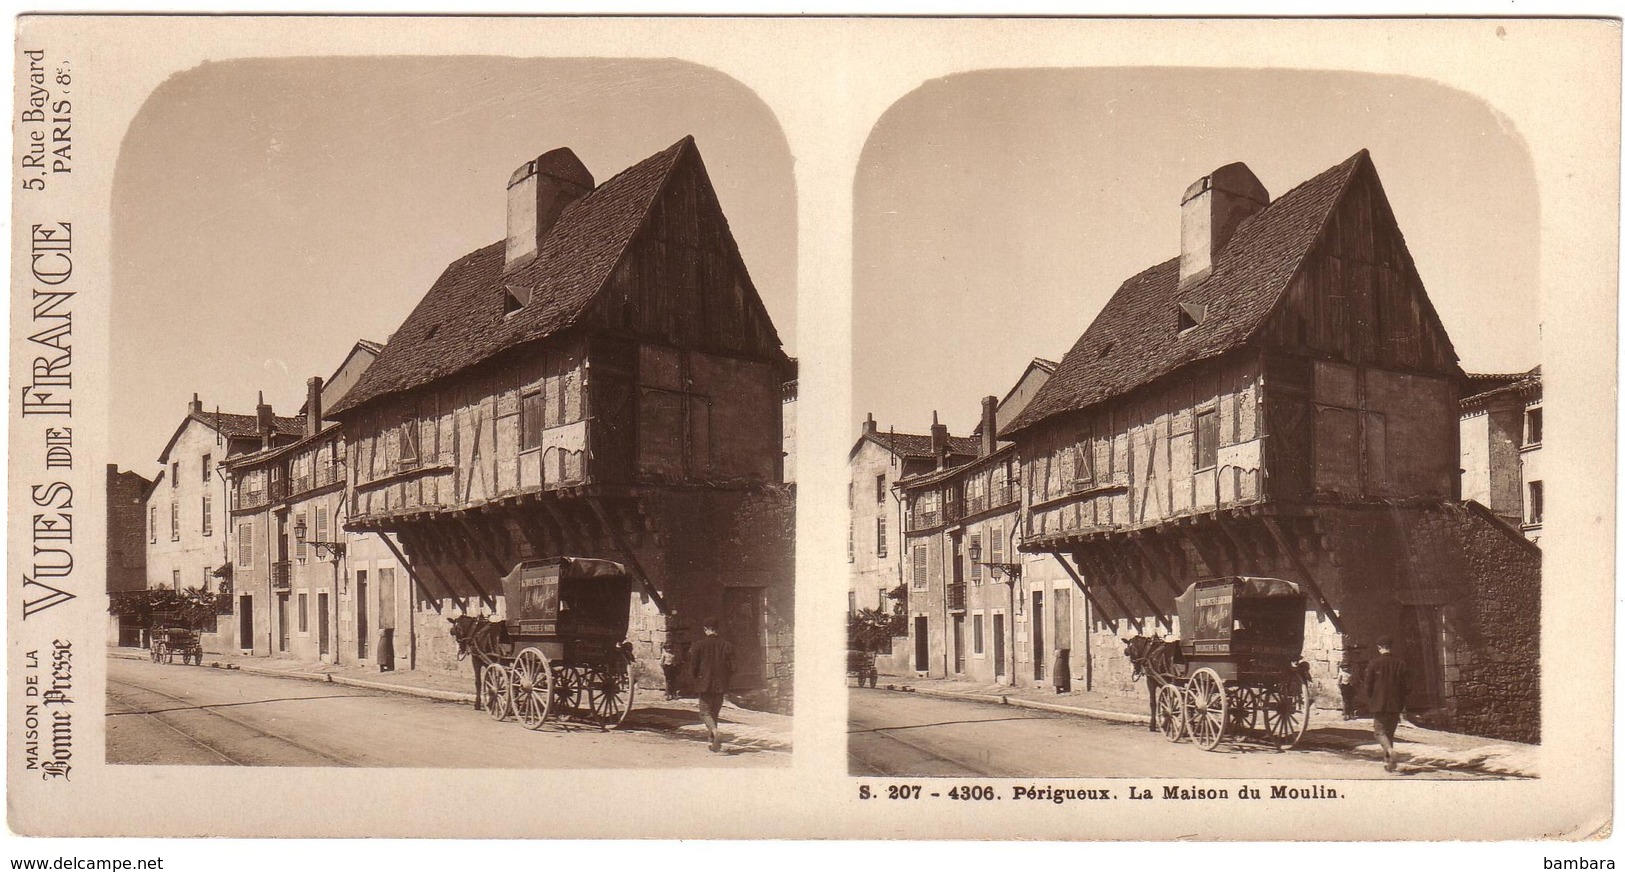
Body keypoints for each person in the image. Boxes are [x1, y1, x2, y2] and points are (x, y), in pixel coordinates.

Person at [1361, 635, 1410, 772]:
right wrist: (1401, 699)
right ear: (1391, 647)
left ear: (1379, 648)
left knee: (1379, 733)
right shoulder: (1401, 663)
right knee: (1389, 733)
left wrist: (1371, 699)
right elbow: (1407, 687)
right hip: (1395, 704)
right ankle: (1389, 764)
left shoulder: (1373, 663)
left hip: (1379, 703)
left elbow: (1368, 685)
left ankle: (1389, 751)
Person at [686, 616, 735, 753]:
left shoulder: (698, 645)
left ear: (705, 629)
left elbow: (693, 666)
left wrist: (696, 679)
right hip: (721, 685)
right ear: (717, 629)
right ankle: (713, 743)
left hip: (704, 683)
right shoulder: (727, 645)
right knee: (714, 713)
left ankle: (714, 731)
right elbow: (733, 667)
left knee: (704, 713)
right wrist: (725, 679)